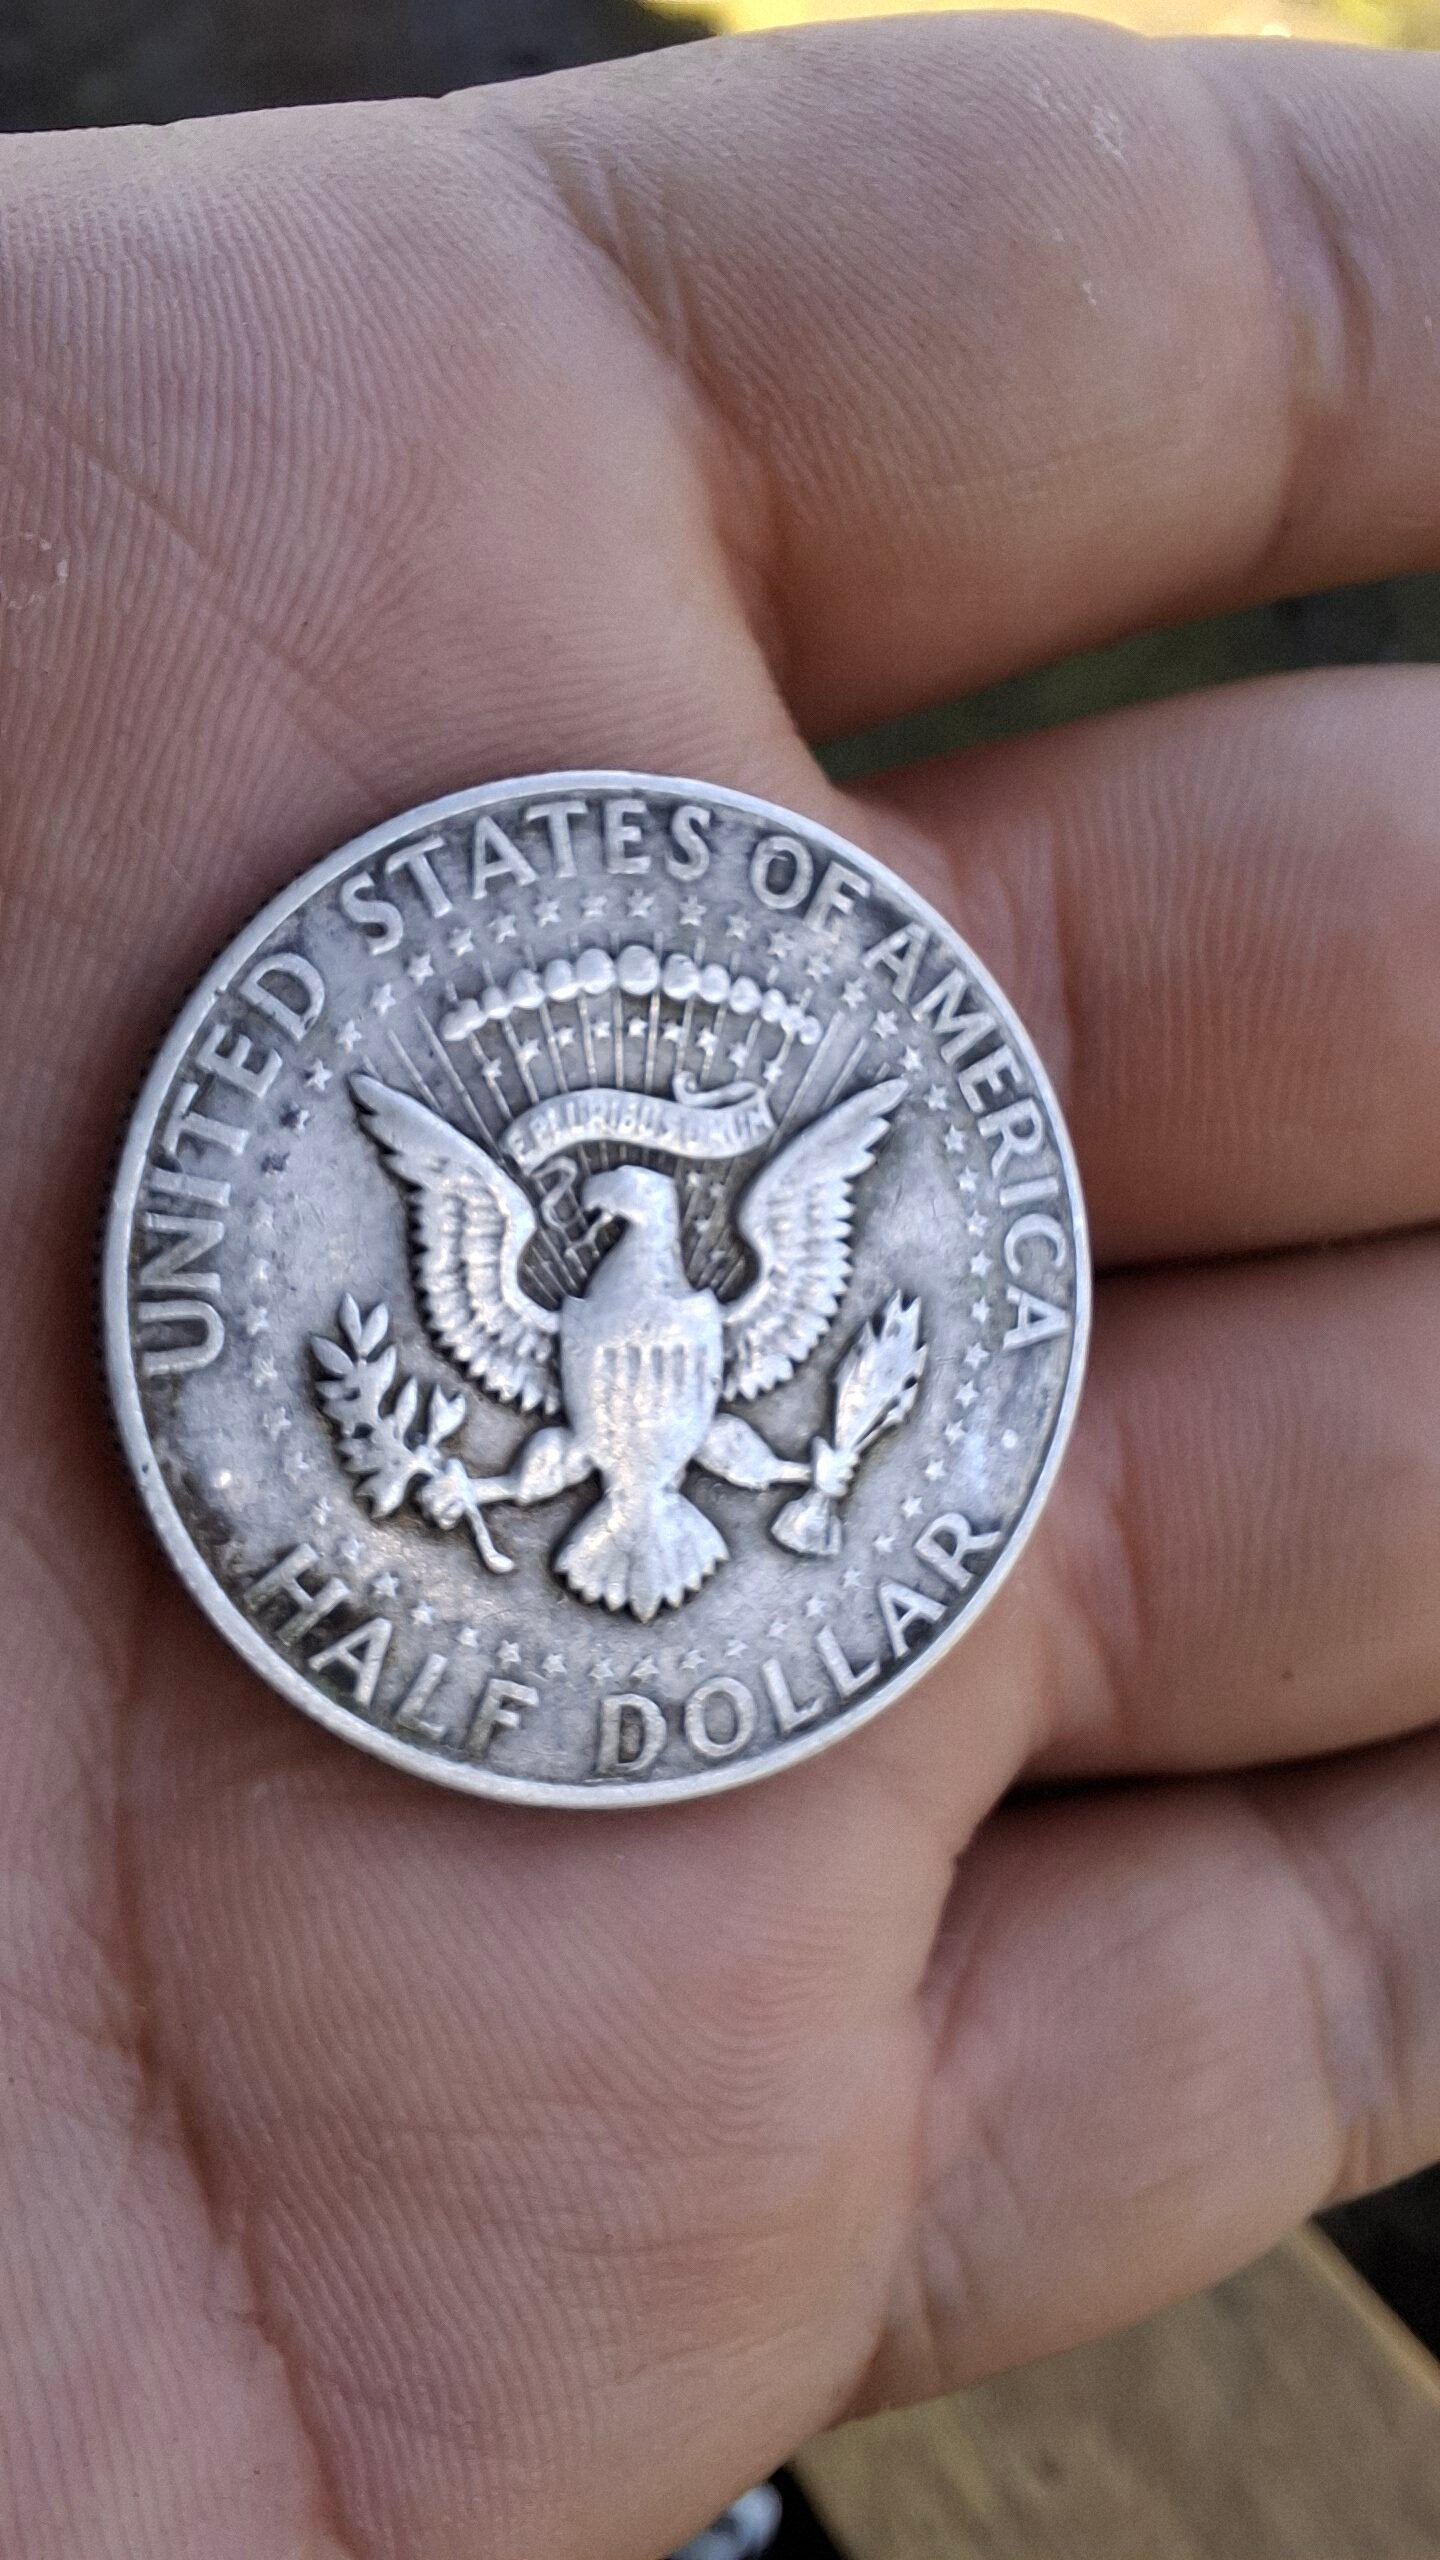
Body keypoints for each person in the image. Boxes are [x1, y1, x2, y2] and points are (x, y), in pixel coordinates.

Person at [2, 16, 1438, 2556]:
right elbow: (440, 1165)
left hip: (669, 1501)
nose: (640, 1224)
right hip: (610, 1505)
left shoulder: (725, 1268)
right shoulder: (523, 1255)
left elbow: (824, 1163)